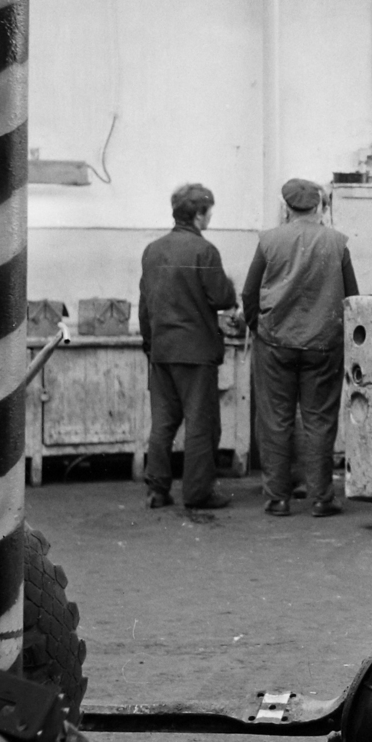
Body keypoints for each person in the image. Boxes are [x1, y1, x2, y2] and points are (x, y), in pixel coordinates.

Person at [242, 179, 359, 518]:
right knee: (319, 420)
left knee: (276, 420)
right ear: (320, 207)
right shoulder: (338, 243)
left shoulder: (269, 240)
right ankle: (322, 498)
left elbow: (250, 293)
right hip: (323, 345)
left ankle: (278, 498)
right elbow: (352, 297)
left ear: (287, 208)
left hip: (276, 342)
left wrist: (258, 326)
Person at [138, 183, 237, 511]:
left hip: (162, 350)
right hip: (195, 353)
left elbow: (144, 304)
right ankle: (197, 494)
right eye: (209, 212)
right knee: (200, 423)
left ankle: (157, 490)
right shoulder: (204, 251)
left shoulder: (152, 250)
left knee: (163, 423)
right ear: (198, 214)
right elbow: (222, 298)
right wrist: (231, 287)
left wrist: (150, 343)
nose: (210, 218)